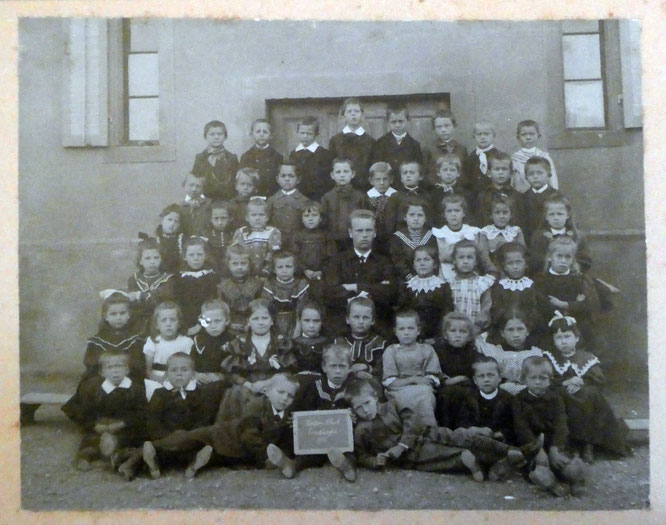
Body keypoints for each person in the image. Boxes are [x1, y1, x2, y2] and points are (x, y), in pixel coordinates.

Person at [349, 379, 526, 481]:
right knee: (446, 455)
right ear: (353, 410)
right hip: (414, 455)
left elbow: (413, 422)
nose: (365, 410)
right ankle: (484, 464)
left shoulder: (392, 405)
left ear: (374, 396)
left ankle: (512, 451)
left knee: (462, 436)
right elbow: (361, 455)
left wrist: (402, 445)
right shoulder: (361, 430)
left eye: (367, 404)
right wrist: (375, 461)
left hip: (425, 434)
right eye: (359, 408)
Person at [543, 313, 631, 461]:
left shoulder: (586, 357)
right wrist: (564, 383)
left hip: (584, 396)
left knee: (590, 394)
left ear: (576, 338)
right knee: (559, 396)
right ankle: (571, 444)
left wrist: (580, 381)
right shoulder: (550, 358)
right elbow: (547, 378)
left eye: (567, 336)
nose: (563, 341)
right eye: (559, 338)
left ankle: (588, 444)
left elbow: (598, 378)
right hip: (562, 394)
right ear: (553, 340)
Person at [140, 352, 227, 479]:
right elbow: (153, 420)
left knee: (208, 448)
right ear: (166, 375)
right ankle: (154, 464)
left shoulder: (200, 394)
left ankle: (194, 465)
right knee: (159, 449)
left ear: (193, 375)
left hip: (191, 440)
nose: (179, 373)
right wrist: (167, 436)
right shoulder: (160, 394)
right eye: (174, 370)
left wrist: (188, 436)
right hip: (166, 440)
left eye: (184, 370)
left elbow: (204, 419)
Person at [512, 356, 588, 497]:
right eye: (533, 378)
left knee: (571, 467)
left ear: (550, 380)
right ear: (524, 379)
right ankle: (553, 485)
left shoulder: (555, 398)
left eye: (543, 378)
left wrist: (554, 448)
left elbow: (561, 425)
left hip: (554, 444)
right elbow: (521, 428)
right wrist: (538, 450)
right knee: (539, 472)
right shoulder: (518, 400)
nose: (538, 382)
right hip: (533, 445)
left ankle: (575, 481)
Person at [62, 351, 147, 471]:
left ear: (127, 370)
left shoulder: (136, 389)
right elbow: (82, 411)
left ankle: (117, 457)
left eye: (119, 366)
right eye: (110, 367)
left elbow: (142, 412)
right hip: (101, 426)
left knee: (130, 440)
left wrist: (122, 424)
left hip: (124, 426)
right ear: (101, 372)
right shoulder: (94, 389)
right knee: (91, 440)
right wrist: (95, 425)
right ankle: (85, 457)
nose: (115, 371)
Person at [324, 209, 397, 333]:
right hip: (343, 326)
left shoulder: (384, 261)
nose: (364, 235)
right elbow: (330, 292)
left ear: (374, 233)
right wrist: (374, 288)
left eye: (368, 230)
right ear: (351, 233)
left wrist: (354, 287)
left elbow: (389, 292)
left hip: (378, 326)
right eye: (359, 230)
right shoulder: (338, 260)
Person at [533, 236, 599, 348]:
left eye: (567, 257)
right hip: (548, 326)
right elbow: (541, 305)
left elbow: (587, 305)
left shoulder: (579, 280)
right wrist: (574, 304)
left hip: (575, 327)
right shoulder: (541, 281)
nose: (563, 261)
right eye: (559, 256)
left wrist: (565, 305)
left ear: (572, 259)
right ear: (550, 257)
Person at [382, 310, 442, 427]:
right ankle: (412, 433)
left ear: (418, 330)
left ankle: (428, 431)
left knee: (425, 394)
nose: (406, 333)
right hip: (398, 391)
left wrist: (422, 382)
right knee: (409, 399)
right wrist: (413, 380)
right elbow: (390, 383)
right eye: (402, 329)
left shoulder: (427, 349)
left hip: (423, 389)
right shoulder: (391, 351)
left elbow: (431, 378)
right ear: (395, 331)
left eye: (410, 328)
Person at [82, 291, 146, 382]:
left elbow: (139, 366)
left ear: (129, 315)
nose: (118, 318)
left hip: (129, 380)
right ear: (106, 316)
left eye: (122, 313)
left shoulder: (136, 340)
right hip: (102, 381)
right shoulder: (97, 341)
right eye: (113, 314)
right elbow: (91, 365)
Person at [476, 308, 542, 395]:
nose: (516, 335)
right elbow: (476, 341)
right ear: (502, 333)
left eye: (520, 329)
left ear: (527, 331)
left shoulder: (535, 353)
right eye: (510, 330)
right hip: (503, 394)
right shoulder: (496, 352)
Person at [432, 312, 481, 427]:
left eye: (463, 331)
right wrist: (446, 380)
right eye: (453, 331)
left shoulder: (473, 353)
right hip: (444, 389)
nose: (457, 335)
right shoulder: (437, 351)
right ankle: (447, 432)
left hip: (467, 389)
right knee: (447, 395)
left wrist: (462, 380)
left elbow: (477, 373)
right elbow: (433, 370)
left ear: (469, 336)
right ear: (445, 334)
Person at [431, 194, 493, 282]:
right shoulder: (439, 234)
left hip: (471, 279)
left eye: (457, 210)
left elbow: (482, 258)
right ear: (444, 214)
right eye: (449, 211)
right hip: (445, 278)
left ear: (463, 213)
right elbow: (442, 256)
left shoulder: (473, 233)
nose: (453, 214)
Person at [397, 245, 454, 341]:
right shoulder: (407, 287)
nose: (422, 263)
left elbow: (446, 314)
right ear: (414, 265)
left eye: (426, 259)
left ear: (435, 264)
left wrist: (437, 338)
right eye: (418, 260)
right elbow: (402, 312)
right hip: (410, 336)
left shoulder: (443, 287)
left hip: (435, 336)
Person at [528, 193, 591, 275]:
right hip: (547, 277)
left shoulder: (577, 236)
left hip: (573, 277)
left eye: (560, 214)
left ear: (568, 215)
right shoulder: (539, 237)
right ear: (546, 216)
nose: (556, 218)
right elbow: (536, 261)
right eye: (552, 214)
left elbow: (585, 260)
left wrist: (573, 267)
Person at [332, 295, 388, 381]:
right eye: (356, 317)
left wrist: (367, 368)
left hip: (371, 384)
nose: (361, 321)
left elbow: (383, 369)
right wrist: (353, 373)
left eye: (365, 317)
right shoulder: (339, 342)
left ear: (372, 320)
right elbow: (333, 367)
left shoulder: (380, 343)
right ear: (347, 319)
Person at [127, 237, 175, 335]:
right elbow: (133, 303)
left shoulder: (168, 279)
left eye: (156, 258)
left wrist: (140, 295)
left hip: (163, 322)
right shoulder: (134, 279)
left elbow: (164, 296)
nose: (152, 262)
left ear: (161, 259)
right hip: (140, 323)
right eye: (147, 258)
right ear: (140, 261)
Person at [216, 244, 264, 337]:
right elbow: (221, 310)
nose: (239, 267)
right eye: (235, 263)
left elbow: (261, 308)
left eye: (243, 263)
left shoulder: (258, 284)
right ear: (228, 264)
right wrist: (229, 324)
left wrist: (251, 323)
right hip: (231, 326)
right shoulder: (222, 287)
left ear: (249, 264)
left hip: (254, 324)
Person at [173, 236, 219, 333]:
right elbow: (178, 303)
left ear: (206, 255)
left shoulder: (211, 277)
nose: (196, 258)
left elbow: (211, 305)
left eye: (200, 254)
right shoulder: (179, 278)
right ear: (185, 256)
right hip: (185, 323)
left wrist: (200, 325)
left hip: (206, 323)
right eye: (191, 255)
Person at [447, 240, 495, 332]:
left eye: (469, 257)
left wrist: (480, 325)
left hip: (477, 329)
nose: (465, 261)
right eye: (461, 257)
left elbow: (486, 306)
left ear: (476, 261)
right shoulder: (449, 284)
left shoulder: (482, 283)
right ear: (454, 260)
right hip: (456, 331)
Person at [319, 157, 367, 251]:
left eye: (345, 171)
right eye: (338, 172)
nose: (342, 175)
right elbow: (323, 221)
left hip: (354, 240)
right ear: (332, 175)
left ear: (352, 174)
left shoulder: (360, 196)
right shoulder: (327, 197)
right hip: (333, 241)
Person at [261, 250, 309, 341]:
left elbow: (301, 309)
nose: (284, 270)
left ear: (294, 268)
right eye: (280, 267)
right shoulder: (270, 285)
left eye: (288, 266)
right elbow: (266, 308)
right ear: (274, 270)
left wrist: (298, 327)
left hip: (295, 321)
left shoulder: (300, 285)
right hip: (274, 322)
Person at [290, 203, 336, 298]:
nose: (310, 219)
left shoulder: (326, 235)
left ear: (320, 218)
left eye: (314, 215)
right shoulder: (297, 235)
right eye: (306, 216)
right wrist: (305, 269)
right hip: (302, 275)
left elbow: (332, 256)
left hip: (322, 275)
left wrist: (322, 271)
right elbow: (294, 256)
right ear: (301, 219)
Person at [328, 97, 375, 189]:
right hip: (341, 187)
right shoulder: (335, 140)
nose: (353, 114)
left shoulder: (370, 141)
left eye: (357, 111)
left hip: (364, 187)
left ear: (362, 115)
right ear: (343, 116)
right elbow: (332, 165)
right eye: (349, 111)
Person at [488, 242, 537, 330]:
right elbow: (496, 309)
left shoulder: (531, 285)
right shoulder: (499, 286)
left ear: (526, 264)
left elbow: (534, 307)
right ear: (504, 266)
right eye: (510, 263)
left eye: (518, 262)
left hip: (528, 326)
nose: (515, 267)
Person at [266, 161, 314, 249]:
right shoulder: (271, 201)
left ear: (298, 179)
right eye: (283, 176)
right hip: (277, 243)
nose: (287, 179)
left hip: (298, 244)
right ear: (277, 179)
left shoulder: (305, 201)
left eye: (291, 176)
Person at [143, 302, 194, 383]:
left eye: (173, 320)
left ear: (179, 323)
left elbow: (190, 368)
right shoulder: (153, 342)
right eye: (163, 320)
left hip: (181, 378)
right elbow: (148, 370)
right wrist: (160, 380)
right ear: (156, 325)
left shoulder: (186, 342)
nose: (168, 324)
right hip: (157, 378)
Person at [232, 197, 282, 277]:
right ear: (247, 217)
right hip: (246, 273)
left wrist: (266, 270)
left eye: (261, 215)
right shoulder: (241, 233)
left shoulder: (273, 232)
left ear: (267, 217)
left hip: (267, 274)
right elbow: (237, 254)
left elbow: (273, 254)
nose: (257, 218)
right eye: (254, 215)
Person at [389, 197, 437, 280]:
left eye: (420, 215)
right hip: (406, 280)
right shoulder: (398, 237)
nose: (416, 219)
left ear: (425, 218)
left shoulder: (431, 236)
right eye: (412, 215)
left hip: (430, 278)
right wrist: (409, 276)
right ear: (405, 217)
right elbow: (398, 260)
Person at [288, 116, 334, 201]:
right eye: (302, 133)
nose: (305, 136)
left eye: (309, 134)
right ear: (297, 133)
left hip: (317, 197)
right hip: (297, 197)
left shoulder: (325, 154)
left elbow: (328, 180)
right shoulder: (293, 154)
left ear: (316, 135)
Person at [191, 120, 239, 200]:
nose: (216, 137)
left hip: (227, 199)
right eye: (212, 134)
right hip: (206, 200)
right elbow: (195, 180)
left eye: (219, 134)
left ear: (225, 136)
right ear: (205, 137)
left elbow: (236, 182)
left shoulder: (232, 158)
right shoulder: (200, 158)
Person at [370, 103, 423, 176]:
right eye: (393, 122)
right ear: (388, 122)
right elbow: (376, 167)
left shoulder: (414, 145)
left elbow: (418, 170)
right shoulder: (381, 143)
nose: (397, 125)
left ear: (408, 120)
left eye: (401, 121)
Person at [516, 156, 560, 240]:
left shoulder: (556, 196)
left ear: (549, 175)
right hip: (529, 240)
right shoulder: (522, 198)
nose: (535, 177)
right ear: (526, 177)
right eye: (531, 174)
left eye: (539, 173)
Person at [473, 151, 522, 227]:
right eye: (497, 169)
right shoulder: (483, 196)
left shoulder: (516, 196)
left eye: (504, 169)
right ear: (489, 173)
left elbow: (519, 220)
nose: (500, 172)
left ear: (511, 173)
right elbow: (480, 220)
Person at [479, 193, 526, 270]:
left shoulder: (516, 231)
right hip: (492, 271)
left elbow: (522, 252)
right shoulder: (486, 232)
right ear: (491, 215)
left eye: (505, 212)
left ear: (511, 214)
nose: (501, 216)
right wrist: (493, 269)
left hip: (513, 269)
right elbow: (483, 255)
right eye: (497, 213)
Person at [191, 299, 233, 384]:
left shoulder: (232, 341)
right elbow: (191, 362)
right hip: (200, 379)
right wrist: (195, 374)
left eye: (217, 321)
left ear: (227, 321)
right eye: (208, 322)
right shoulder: (199, 340)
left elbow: (236, 369)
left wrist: (220, 376)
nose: (213, 326)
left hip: (222, 381)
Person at [511, 120, 559, 193]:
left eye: (532, 134)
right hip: (521, 197)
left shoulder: (544, 157)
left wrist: (554, 195)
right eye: (524, 134)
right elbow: (512, 182)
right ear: (518, 137)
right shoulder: (515, 159)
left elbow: (553, 180)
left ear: (538, 136)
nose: (528, 137)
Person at [422, 109, 467, 185]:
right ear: (434, 129)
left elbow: (464, 173)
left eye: (447, 126)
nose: (443, 130)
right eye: (439, 127)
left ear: (454, 126)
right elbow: (426, 173)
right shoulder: (429, 149)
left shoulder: (461, 149)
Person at [239, 118, 284, 196]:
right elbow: (241, 180)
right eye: (258, 131)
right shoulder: (246, 156)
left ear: (271, 135)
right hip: (251, 197)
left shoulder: (277, 157)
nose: (261, 134)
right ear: (251, 134)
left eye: (265, 132)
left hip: (271, 196)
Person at [429, 153, 473, 226]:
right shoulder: (434, 193)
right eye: (445, 170)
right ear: (438, 172)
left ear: (458, 173)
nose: (448, 173)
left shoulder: (465, 193)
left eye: (452, 170)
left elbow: (468, 215)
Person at [364, 161, 400, 249]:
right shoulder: (366, 197)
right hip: (373, 237)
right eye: (377, 179)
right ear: (371, 181)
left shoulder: (397, 197)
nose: (381, 183)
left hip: (393, 236)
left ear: (391, 179)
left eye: (385, 179)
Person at [291, 301, 330, 373]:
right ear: (299, 321)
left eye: (316, 321)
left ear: (322, 321)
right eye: (307, 321)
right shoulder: (293, 345)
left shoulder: (327, 344)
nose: (311, 325)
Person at [464, 121, 499, 195]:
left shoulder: (498, 156)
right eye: (479, 134)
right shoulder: (471, 158)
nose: (482, 137)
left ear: (493, 135)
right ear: (474, 136)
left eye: (486, 134)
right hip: (475, 196)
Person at [202, 200, 234, 275]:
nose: (220, 222)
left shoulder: (233, 234)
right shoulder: (206, 235)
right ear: (210, 219)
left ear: (230, 218)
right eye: (216, 218)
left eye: (223, 218)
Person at [153, 204, 184, 274]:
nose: (172, 223)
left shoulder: (182, 241)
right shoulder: (155, 240)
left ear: (179, 225)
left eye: (176, 221)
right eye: (169, 219)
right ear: (162, 221)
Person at [178, 172, 211, 236]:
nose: (194, 189)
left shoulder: (209, 204)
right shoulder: (179, 205)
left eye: (198, 186)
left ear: (203, 188)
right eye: (191, 185)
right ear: (184, 185)